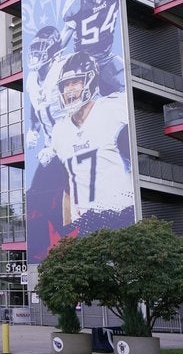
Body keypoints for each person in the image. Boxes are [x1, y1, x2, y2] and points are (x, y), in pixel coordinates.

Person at [50, 51, 134, 231]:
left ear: (90, 80)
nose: (69, 89)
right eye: (66, 84)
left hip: (121, 217)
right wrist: (67, 233)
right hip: (84, 226)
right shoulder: (59, 132)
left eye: (75, 82)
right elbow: (67, 190)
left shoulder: (114, 109)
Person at [25, 26, 70, 261]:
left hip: (71, 146)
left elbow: (74, 110)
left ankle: (68, 241)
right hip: (50, 149)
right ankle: (44, 257)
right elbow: (36, 107)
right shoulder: (33, 78)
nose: (36, 54)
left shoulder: (64, 70)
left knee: (61, 200)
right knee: (34, 197)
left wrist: (55, 145)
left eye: (41, 48)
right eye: (34, 49)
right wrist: (33, 129)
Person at [60, 0, 125, 96]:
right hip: (84, 62)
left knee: (125, 85)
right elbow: (65, 36)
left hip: (106, 57)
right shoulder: (76, 3)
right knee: (83, 104)